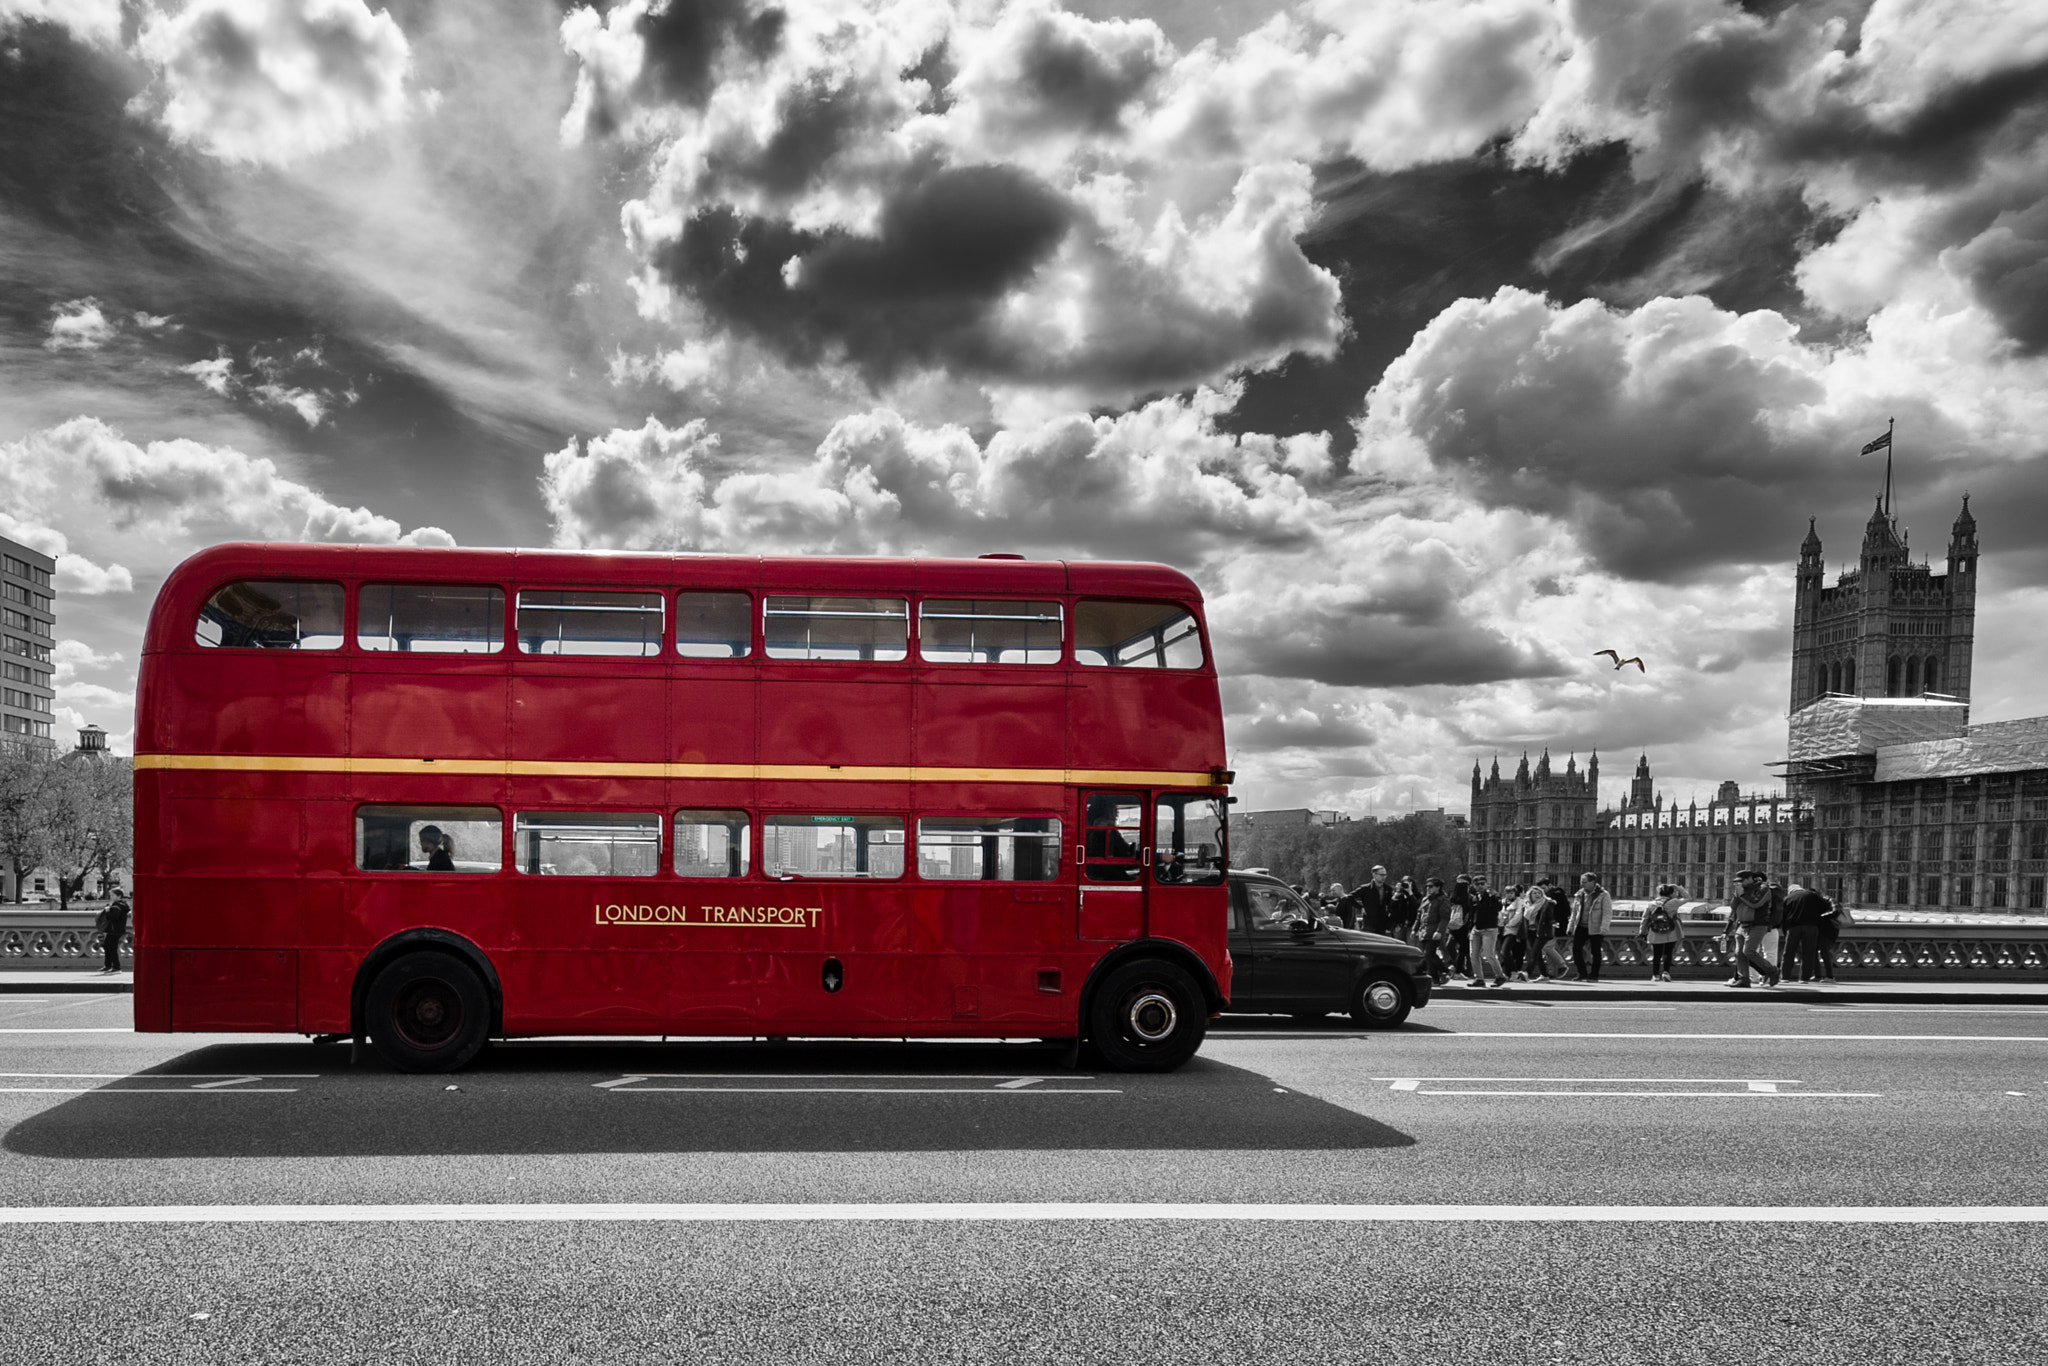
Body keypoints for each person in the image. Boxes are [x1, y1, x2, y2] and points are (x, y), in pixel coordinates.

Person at [1723, 868, 1782, 988]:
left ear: (1750, 879)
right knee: (1739, 953)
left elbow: (1756, 903)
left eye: (1742, 881)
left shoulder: (1763, 888)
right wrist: (1736, 895)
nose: (1739, 883)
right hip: (1741, 925)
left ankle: (1772, 971)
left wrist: (1742, 895)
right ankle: (1744, 979)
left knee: (1749, 951)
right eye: (1737, 881)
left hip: (1758, 924)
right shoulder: (1741, 890)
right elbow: (1734, 907)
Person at [1782, 882, 1833, 983]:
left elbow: (1783, 917)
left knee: (1788, 952)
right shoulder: (1812, 895)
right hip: (1811, 927)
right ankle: (1804, 978)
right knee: (1808, 953)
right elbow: (1826, 907)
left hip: (1793, 927)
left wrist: (1785, 931)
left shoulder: (1787, 898)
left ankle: (1784, 977)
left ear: (1791, 891)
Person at [1637, 883, 1686, 982]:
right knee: (1668, 952)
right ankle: (1666, 973)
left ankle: (1655, 975)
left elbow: (1645, 919)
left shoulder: (1651, 904)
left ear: (1659, 893)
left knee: (1657, 954)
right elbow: (1688, 898)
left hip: (1655, 931)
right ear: (1670, 893)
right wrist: (1679, 888)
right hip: (1670, 931)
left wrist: (1642, 932)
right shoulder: (1674, 902)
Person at [1569, 871, 1611, 982]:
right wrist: (1570, 926)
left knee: (1595, 952)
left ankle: (1594, 975)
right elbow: (1574, 912)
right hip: (1581, 926)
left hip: (1596, 927)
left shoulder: (1603, 894)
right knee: (1576, 949)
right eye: (1581, 882)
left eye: (1584, 882)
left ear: (1593, 882)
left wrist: (1604, 927)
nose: (1582, 884)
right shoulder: (1580, 894)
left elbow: (1607, 913)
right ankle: (1582, 973)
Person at [1467, 874, 1505, 987]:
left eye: (1482, 884)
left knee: (1489, 954)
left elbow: (1498, 907)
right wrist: (1470, 928)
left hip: (1489, 929)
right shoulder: (1475, 897)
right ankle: (1479, 979)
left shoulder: (1492, 895)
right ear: (1473, 885)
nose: (1480, 886)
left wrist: (1493, 896)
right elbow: (1472, 914)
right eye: (1477, 884)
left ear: (1486, 884)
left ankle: (1500, 976)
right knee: (1473, 955)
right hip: (1476, 929)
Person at [1413, 877, 1452, 984]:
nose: (1428, 888)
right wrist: (1414, 929)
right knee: (1426, 955)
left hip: (1434, 930)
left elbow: (1445, 918)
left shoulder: (1443, 900)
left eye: (1431, 886)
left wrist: (1439, 931)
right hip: (1424, 930)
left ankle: (1445, 969)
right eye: (1427, 886)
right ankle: (1434, 977)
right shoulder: (1425, 899)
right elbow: (1419, 916)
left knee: (1429, 953)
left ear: (1438, 887)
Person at [95, 885, 131, 974]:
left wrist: (107, 911)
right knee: (107, 946)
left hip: (114, 930)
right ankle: (108, 965)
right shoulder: (121, 905)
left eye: (113, 895)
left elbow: (113, 917)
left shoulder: (117, 906)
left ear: (119, 896)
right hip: (115, 930)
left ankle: (116, 967)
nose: (111, 897)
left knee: (111, 947)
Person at [1815, 891, 1849, 982]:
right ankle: (1818, 975)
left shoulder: (1830, 900)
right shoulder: (1823, 902)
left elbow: (1836, 911)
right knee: (1816, 953)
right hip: (1822, 931)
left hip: (1828, 931)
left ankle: (1830, 977)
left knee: (1825, 953)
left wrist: (1820, 917)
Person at [1355, 866, 1398, 936]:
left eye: (1385, 875)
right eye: (1381, 875)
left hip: (1382, 924)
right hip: (1369, 924)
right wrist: (1361, 907)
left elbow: (1391, 906)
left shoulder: (1388, 889)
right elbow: (1349, 897)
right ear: (1374, 874)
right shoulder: (1365, 888)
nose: (1384, 877)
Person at [1447, 874, 1474, 978]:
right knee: (1464, 948)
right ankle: (1458, 968)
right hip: (1463, 926)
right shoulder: (1469, 897)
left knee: (1460, 948)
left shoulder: (1454, 897)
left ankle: (1461, 968)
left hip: (1454, 925)